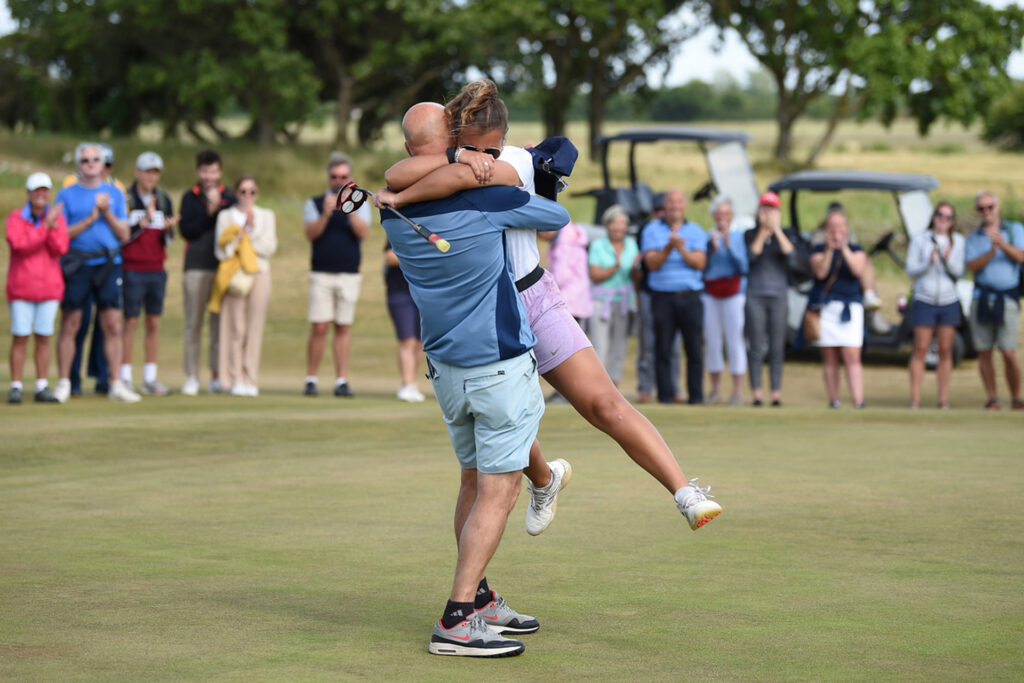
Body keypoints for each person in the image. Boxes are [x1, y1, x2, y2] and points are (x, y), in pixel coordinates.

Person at [379, 82, 721, 537]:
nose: (488, 157)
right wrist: (451, 160)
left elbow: (442, 180)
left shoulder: (513, 161)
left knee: (602, 403)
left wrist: (451, 170)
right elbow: (394, 173)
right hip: (480, 311)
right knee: (492, 436)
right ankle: (541, 484)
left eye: (492, 149)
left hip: (531, 298)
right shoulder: (441, 162)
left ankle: (684, 492)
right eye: (476, 149)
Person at [376, 102, 573, 658]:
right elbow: (555, 220)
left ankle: (480, 597)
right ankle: (458, 618)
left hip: (445, 368)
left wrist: (459, 162)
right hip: (498, 362)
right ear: (451, 142)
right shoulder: (484, 198)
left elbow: (401, 174)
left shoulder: (392, 211)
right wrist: (497, 170)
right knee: (501, 489)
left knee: (471, 481)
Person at [52, 142, 138, 403]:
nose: (90, 164)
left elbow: (124, 234)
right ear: (78, 164)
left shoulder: (114, 193)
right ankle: (65, 382)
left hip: (108, 263)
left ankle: (115, 383)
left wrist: (106, 211)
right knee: (71, 323)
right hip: (78, 264)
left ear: (103, 164)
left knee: (112, 323)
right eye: (85, 160)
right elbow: (60, 233)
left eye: (95, 159)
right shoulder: (66, 195)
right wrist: (90, 219)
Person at [302, 152, 369, 398]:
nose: (338, 180)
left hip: (349, 273)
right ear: (328, 177)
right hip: (322, 272)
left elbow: (363, 233)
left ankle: (341, 380)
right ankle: (311, 378)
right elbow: (310, 234)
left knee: (343, 326)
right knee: (319, 326)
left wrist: (348, 210)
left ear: (350, 178)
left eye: (343, 176)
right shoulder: (315, 203)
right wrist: (326, 215)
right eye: (334, 176)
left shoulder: (359, 203)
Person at [641, 187, 709, 405]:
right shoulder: (651, 230)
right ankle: (666, 396)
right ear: (665, 206)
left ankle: (696, 396)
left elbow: (699, 263)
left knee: (694, 349)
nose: (675, 206)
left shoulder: (696, 231)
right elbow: (652, 264)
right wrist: (670, 247)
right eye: (671, 202)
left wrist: (681, 249)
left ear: (685, 205)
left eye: (679, 202)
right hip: (662, 297)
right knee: (663, 348)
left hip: (690, 296)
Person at [5, 173, 68, 404]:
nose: (41, 195)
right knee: (20, 336)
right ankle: (16, 386)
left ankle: (42, 385)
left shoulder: (57, 220)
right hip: (22, 287)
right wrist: (45, 228)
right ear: (29, 193)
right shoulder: (15, 218)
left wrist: (50, 227)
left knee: (43, 336)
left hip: (49, 289)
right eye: (36, 190)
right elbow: (20, 245)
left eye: (45, 190)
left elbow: (60, 247)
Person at [213, 176, 277, 397]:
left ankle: (250, 377)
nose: (248, 196)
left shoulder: (266, 216)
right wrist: (241, 233)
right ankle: (233, 377)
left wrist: (248, 235)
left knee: (253, 327)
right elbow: (222, 250)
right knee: (234, 327)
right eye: (243, 191)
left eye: (252, 191)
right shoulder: (226, 217)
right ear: (236, 193)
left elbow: (269, 247)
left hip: (259, 272)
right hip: (234, 274)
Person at [121, 152, 178, 395]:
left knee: (153, 322)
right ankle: (123, 376)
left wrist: (168, 230)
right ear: (138, 172)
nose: (151, 176)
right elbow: (122, 235)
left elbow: (169, 240)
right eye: (147, 171)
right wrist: (143, 221)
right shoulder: (126, 198)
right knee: (130, 322)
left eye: (155, 172)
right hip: (132, 268)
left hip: (156, 269)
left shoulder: (164, 200)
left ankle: (149, 378)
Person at [179, 148, 235, 396]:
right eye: (205, 171)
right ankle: (192, 375)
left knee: (218, 325)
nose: (209, 176)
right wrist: (209, 212)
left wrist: (220, 208)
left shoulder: (230, 197)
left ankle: (215, 374)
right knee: (194, 324)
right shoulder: (189, 198)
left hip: (222, 268)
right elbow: (187, 231)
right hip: (196, 266)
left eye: (213, 171)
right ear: (198, 171)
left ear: (219, 171)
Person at [965, 190, 1024, 410]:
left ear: (996, 207)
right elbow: (971, 267)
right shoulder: (973, 237)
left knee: (1008, 351)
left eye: (990, 207)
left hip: (1007, 297)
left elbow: (1021, 256)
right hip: (981, 297)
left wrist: (1002, 243)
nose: (986, 212)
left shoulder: (1014, 229)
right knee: (984, 350)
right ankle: (992, 398)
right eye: (981, 208)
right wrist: (992, 251)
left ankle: (1017, 398)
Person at [905, 202, 966, 409]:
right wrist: (928, 262)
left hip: (948, 300)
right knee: (920, 348)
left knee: (946, 350)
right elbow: (911, 270)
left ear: (952, 221)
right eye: (940, 215)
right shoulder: (920, 239)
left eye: (948, 217)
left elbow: (959, 273)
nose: (943, 219)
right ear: (934, 216)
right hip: (925, 298)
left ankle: (943, 399)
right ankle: (915, 399)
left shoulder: (958, 241)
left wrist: (947, 260)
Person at [809, 209, 867, 408]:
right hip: (828, 309)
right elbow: (821, 273)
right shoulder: (818, 251)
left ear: (847, 228)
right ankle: (834, 400)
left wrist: (843, 249)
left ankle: (858, 400)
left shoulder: (856, 249)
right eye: (832, 227)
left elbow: (858, 270)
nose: (836, 231)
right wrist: (830, 249)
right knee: (830, 356)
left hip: (850, 307)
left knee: (852, 355)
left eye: (840, 226)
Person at [744, 191, 796, 407]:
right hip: (755, 295)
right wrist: (763, 233)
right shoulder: (750, 234)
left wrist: (775, 230)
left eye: (771, 209)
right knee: (756, 346)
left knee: (777, 346)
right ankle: (756, 393)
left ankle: (776, 393)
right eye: (764, 209)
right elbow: (751, 256)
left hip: (778, 296)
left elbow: (791, 256)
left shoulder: (786, 234)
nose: (767, 213)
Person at [702, 196, 748, 406]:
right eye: (719, 214)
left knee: (734, 340)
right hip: (711, 292)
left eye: (726, 214)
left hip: (733, 292)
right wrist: (711, 249)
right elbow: (704, 266)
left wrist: (728, 245)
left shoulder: (738, 236)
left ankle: (737, 391)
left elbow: (742, 266)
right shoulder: (708, 236)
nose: (722, 218)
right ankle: (715, 389)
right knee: (712, 341)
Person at [635, 193, 681, 403]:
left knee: (672, 345)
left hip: (668, 293)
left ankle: (674, 387)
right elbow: (641, 264)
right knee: (649, 343)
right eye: (657, 211)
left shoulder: (678, 229)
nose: (660, 214)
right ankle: (646, 387)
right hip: (648, 292)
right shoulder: (648, 229)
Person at [588, 204, 639, 386]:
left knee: (620, 345)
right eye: (614, 224)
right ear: (607, 225)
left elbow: (634, 275)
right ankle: (599, 385)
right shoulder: (598, 245)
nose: (618, 228)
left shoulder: (631, 245)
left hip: (624, 301)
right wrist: (615, 267)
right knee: (600, 345)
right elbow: (595, 274)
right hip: (601, 301)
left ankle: (615, 384)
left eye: (621, 224)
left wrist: (637, 269)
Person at [383, 240, 426, 402]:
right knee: (407, 340)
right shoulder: (400, 231)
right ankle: (407, 384)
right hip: (400, 293)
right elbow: (389, 257)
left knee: (420, 342)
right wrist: (416, 258)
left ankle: (411, 383)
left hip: (423, 293)